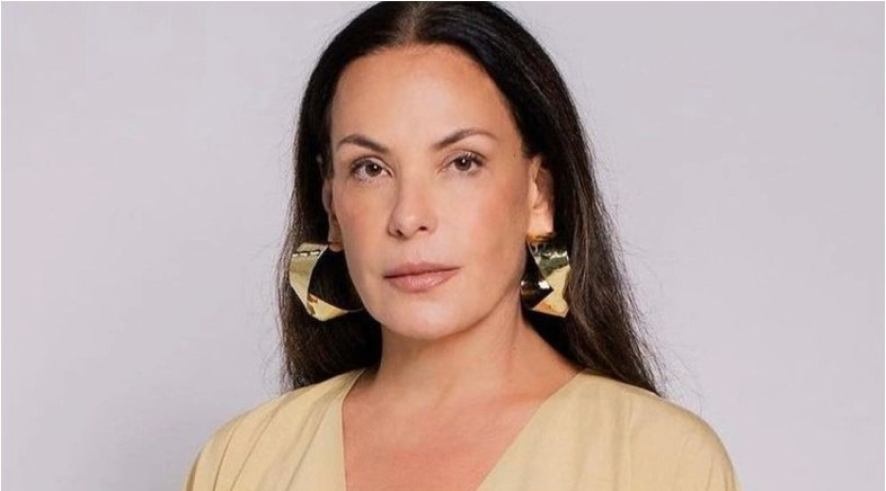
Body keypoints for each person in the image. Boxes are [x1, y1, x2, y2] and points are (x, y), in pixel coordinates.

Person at [182, 2, 741, 490]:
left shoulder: (657, 460)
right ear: (332, 206)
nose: (409, 217)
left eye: (462, 162)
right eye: (370, 168)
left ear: (538, 193)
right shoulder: (241, 462)